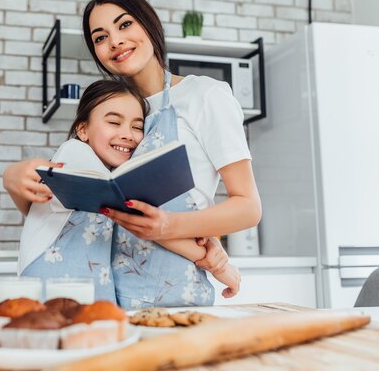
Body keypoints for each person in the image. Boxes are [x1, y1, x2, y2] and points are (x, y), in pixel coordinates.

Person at [4, 0, 260, 308]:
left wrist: (181, 232)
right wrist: (14, 180)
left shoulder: (205, 95)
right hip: (109, 298)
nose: (114, 41)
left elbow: (249, 207)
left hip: (173, 293)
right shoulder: (111, 118)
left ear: (149, 24)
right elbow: (72, 211)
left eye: (124, 25)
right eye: (100, 37)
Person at [17, 79, 240, 303]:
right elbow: (137, 220)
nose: (127, 135)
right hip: (50, 293)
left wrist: (209, 239)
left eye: (137, 126)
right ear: (82, 129)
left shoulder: (108, 171)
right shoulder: (74, 153)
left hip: (88, 297)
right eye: (114, 122)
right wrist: (214, 264)